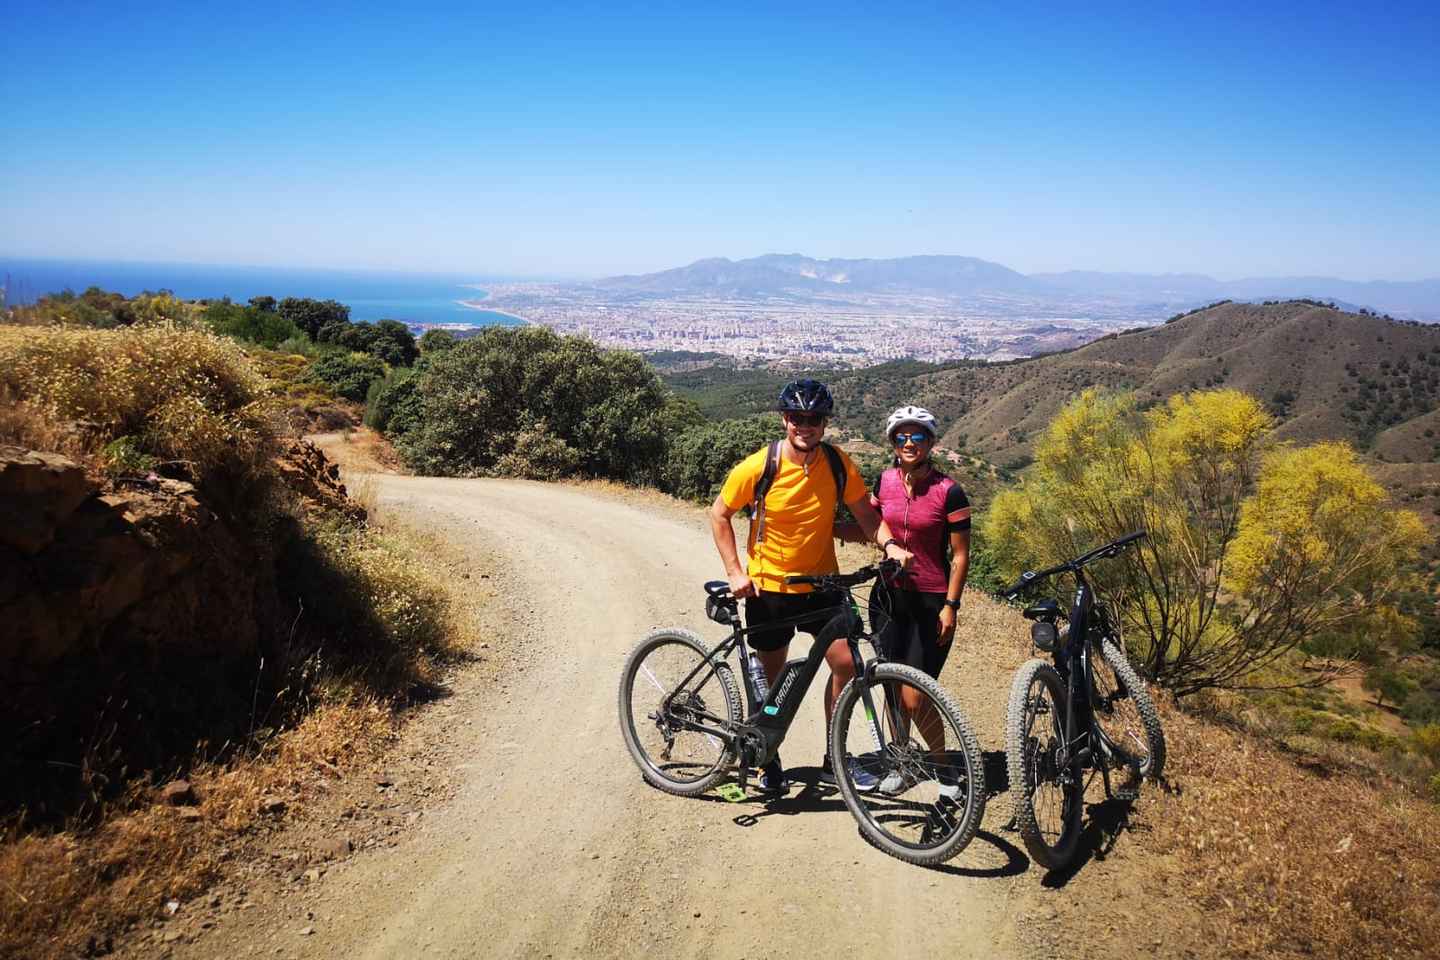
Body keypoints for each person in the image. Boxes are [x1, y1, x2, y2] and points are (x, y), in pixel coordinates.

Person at [710, 378, 912, 793]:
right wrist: (735, 571)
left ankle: (833, 757)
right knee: (772, 680)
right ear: (785, 420)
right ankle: (768, 758)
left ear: (824, 423)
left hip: (822, 585)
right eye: (798, 418)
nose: (806, 426)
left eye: (814, 419)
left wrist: (890, 544)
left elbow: (866, 517)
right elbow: (719, 514)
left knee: (847, 665)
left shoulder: (838, 464)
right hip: (770, 588)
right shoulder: (759, 466)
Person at [837, 404, 970, 794]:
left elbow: (960, 555)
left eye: (917, 436)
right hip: (889, 598)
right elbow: (871, 528)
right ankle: (901, 761)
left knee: (917, 694)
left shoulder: (949, 491)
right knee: (892, 687)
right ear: (893, 442)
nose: (909, 442)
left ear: (931, 442)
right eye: (902, 436)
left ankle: (943, 766)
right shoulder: (885, 482)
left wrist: (952, 605)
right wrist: (821, 528)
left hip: (931, 601)